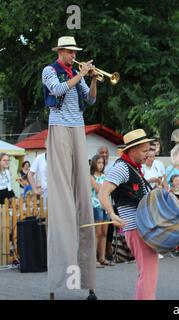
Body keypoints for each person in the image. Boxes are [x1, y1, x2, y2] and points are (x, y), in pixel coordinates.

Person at [42, 36, 98, 300]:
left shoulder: (77, 72)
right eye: (71, 52)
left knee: (83, 199)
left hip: (77, 128)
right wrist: (81, 74)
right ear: (61, 52)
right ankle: (59, 280)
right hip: (60, 127)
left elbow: (91, 101)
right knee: (63, 197)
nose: (74, 55)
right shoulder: (50, 70)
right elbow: (58, 91)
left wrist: (94, 78)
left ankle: (86, 281)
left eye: (76, 52)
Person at [98, 129, 159, 300]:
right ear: (132, 151)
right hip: (136, 228)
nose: (148, 154)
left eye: (149, 150)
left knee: (146, 274)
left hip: (141, 227)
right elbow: (102, 193)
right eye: (144, 150)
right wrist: (111, 214)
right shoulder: (122, 168)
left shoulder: (132, 167)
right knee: (148, 274)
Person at [90, 155, 114, 268]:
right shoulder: (90, 176)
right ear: (94, 163)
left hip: (105, 206)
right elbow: (99, 189)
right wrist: (104, 189)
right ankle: (93, 259)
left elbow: (107, 191)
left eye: (102, 163)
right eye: (98, 162)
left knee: (104, 233)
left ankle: (102, 257)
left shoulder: (105, 176)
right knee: (97, 233)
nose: (100, 165)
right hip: (96, 205)